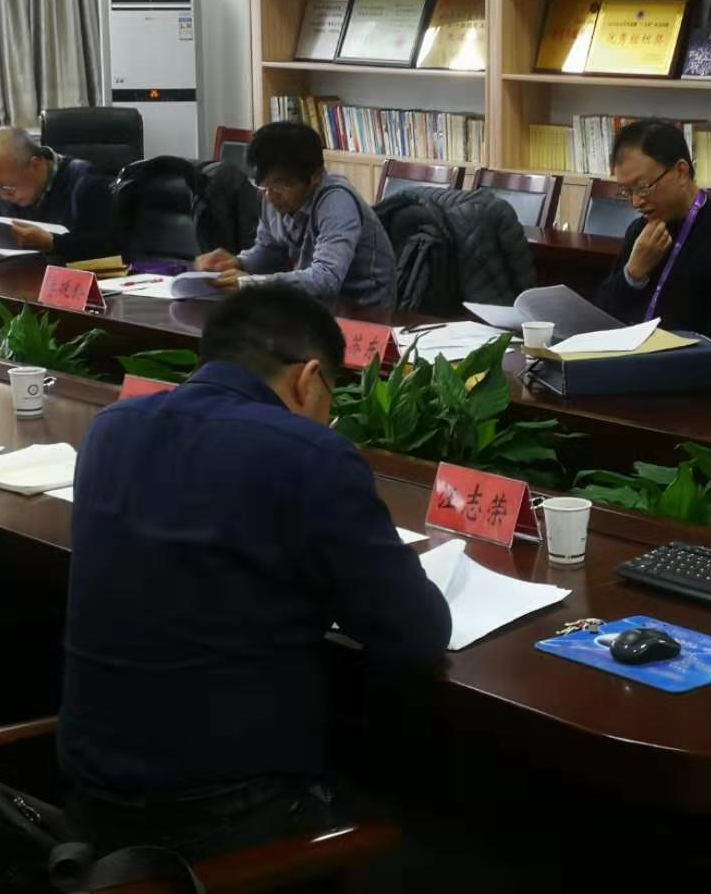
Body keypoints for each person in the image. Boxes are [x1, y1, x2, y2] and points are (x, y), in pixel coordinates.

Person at [60, 285, 450, 858]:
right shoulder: (308, 454)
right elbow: (417, 633)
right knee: (433, 829)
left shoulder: (111, 428)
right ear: (309, 378)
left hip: (90, 794)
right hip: (228, 809)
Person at [594, 118, 711, 361]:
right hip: (630, 365)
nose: (636, 202)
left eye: (642, 187)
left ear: (681, 172)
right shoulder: (639, 231)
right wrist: (632, 275)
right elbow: (601, 319)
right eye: (626, 192)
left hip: (686, 370)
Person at [193, 121, 396, 308]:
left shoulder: (337, 203)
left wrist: (251, 284)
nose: (270, 196)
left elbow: (326, 279)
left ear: (316, 176)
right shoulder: (269, 193)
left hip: (365, 310)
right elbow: (269, 250)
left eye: (281, 185)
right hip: (314, 305)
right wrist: (237, 262)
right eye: (262, 185)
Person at [0, 126, 116, 262]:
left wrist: (53, 243)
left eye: (6, 188)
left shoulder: (84, 182)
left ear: (35, 165)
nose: (2, 196)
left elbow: (107, 246)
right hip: (18, 283)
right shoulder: (0, 189)